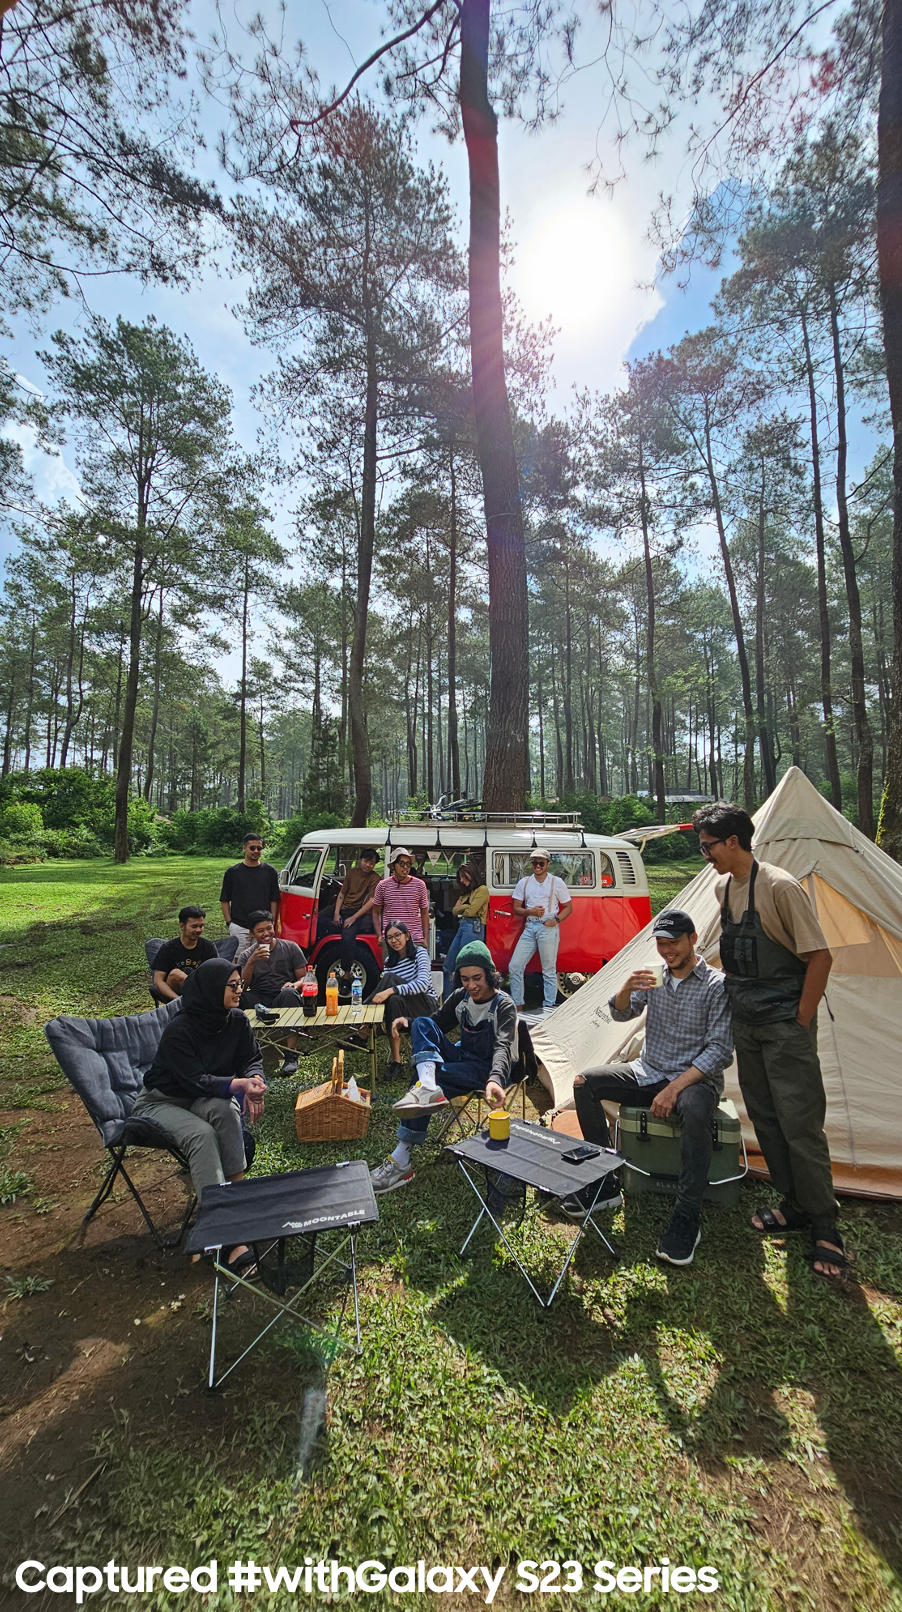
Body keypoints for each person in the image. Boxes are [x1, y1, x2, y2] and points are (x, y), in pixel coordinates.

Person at [692, 801, 847, 1280]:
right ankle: (794, 1204)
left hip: (784, 1026)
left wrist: (800, 1019)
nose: (705, 856)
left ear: (733, 841)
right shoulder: (723, 888)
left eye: (709, 847)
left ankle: (826, 1224)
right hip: (747, 1023)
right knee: (765, 1116)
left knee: (800, 1122)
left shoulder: (780, 886)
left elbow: (820, 957)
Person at [564, 909, 734, 1267]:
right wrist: (626, 987)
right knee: (585, 1083)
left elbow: (720, 1051)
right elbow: (621, 1014)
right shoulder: (655, 975)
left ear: (693, 940)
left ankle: (687, 1217)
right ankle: (605, 1184)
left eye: (674, 943)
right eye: (660, 944)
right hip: (649, 1070)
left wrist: (674, 1089)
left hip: (694, 1080)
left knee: (695, 1111)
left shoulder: (716, 985)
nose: (667, 950)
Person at [133, 958, 267, 1276]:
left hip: (200, 1098)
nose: (239, 990)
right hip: (161, 1101)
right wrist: (238, 1084)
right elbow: (196, 1080)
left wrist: (255, 1080)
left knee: (226, 1110)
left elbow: (251, 1058)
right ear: (210, 989)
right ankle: (223, 1234)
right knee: (201, 1134)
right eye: (232, 985)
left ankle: (235, 1201)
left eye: (240, 984)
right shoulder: (180, 1030)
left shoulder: (236, 1021)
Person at [369, 941, 517, 1194]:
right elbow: (437, 1023)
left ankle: (401, 1158)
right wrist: (409, 1022)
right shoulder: (461, 997)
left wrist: (494, 1079)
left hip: (486, 1070)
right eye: (465, 979)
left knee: (424, 1081)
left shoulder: (503, 1005)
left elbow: (503, 1046)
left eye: (477, 978)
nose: (471, 985)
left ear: (490, 974)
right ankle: (427, 1084)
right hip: (462, 1057)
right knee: (422, 1023)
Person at [236, 911, 308, 1078]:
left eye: (269, 928)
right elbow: (242, 986)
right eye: (260, 931)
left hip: (282, 994)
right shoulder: (247, 955)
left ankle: (291, 1054)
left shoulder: (290, 947)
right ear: (252, 934)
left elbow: (304, 977)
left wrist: (295, 984)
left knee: (290, 993)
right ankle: (243, 1053)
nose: (266, 933)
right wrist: (252, 962)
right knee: (239, 999)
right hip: (259, 997)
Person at [370, 921, 439, 1080]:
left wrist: (392, 989)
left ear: (407, 936)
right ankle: (396, 1062)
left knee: (390, 981)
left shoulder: (420, 953)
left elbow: (422, 984)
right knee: (393, 1000)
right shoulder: (389, 962)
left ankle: (364, 1025)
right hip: (403, 1009)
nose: (394, 940)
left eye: (397, 935)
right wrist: (392, 993)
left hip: (427, 1006)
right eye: (389, 938)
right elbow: (392, 995)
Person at [508, 848, 573, 1014]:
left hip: (548, 927)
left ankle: (548, 1007)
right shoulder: (524, 882)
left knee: (549, 970)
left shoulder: (557, 882)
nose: (537, 866)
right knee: (515, 966)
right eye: (534, 863)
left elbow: (568, 907)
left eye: (541, 863)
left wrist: (555, 921)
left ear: (548, 864)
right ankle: (518, 1006)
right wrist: (530, 911)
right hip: (529, 926)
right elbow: (516, 908)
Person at [319, 848, 380, 993]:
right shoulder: (352, 873)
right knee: (317, 919)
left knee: (347, 937)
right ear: (360, 860)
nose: (368, 865)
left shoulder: (375, 878)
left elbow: (371, 901)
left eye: (372, 863)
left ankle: (346, 976)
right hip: (342, 907)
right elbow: (342, 893)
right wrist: (336, 913)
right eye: (365, 861)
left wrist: (353, 918)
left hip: (357, 911)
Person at [219, 833, 281, 949]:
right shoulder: (232, 872)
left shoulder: (270, 871)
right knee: (239, 958)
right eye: (252, 848)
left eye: (259, 848)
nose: (256, 851)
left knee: (263, 957)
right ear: (244, 848)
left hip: (263, 926)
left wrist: (271, 921)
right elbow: (225, 900)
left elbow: (274, 899)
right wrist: (229, 923)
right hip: (239, 925)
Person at [442, 862, 490, 1001]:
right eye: (460, 878)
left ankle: (467, 1001)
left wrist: (462, 907)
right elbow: (454, 910)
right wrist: (465, 907)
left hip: (474, 927)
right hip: (463, 926)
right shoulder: (466, 892)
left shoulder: (482, 889)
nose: (462, 880)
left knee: (467, 966)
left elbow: (472, 911)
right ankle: (448, 1002)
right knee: (448, 966)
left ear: (472, 874)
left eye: (464, 877)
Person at [152, 906, 218, 1000]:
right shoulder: (168, 948)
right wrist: (178, 1001)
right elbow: (158, 980)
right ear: (182, 926)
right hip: (176, 994)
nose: (198, 930)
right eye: (194, 926)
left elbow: (215, 975)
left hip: (201, 992)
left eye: (201, 926)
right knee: (176, 974)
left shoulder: (208, 947)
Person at [372, 846, 430, 946]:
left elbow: (424, 913)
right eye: (402, 863)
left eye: (408, 864)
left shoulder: (419, 885)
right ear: (393, 866)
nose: (405, 867)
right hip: (391, 939)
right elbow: (376, 912)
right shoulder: (383, 885)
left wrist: (425, 939)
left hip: (414, 939)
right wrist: (379, 936)